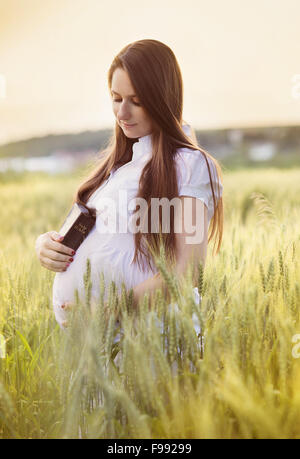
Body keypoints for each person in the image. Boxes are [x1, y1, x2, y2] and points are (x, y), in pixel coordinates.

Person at [35, 39, 223, 330]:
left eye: (136, 101)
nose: (122, 113)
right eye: (116, 98)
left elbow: (187, 272)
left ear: (163, 99)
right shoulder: (119, 166)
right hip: (96, 349)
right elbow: (100, 235)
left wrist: (108, 311)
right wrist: (47, 245)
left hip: (149, 345)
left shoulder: (190, 165)